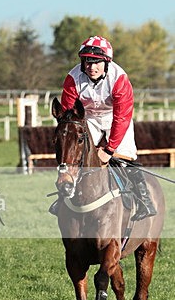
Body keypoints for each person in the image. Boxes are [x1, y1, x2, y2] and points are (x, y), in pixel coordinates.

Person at [49, 35, 157, 220]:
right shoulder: (72, 78)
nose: (91, 67)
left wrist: (109, 149)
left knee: (127, 154)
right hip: (87, 118)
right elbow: (68, 115)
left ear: (106, 62)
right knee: (74, 151)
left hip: (115, 117)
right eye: (87, 62)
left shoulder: (119, 79)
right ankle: (63, 196)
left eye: (96, 62)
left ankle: (144, 200)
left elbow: (121, 117)